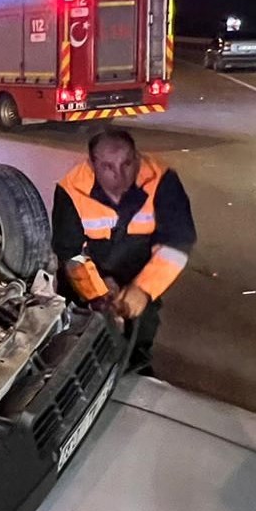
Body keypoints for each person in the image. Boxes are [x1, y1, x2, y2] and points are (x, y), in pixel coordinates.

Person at [51, 128, 197, 373]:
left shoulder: (162, 181)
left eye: (127, 163)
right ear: (92, 164)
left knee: (142, 331)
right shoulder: (71, 190)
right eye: (108, 166)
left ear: (137, 158)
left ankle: (135, 367)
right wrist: (98, 294)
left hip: (140, 273)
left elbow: (176, 244)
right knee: (75, 337)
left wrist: (142, 289)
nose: (119, 176)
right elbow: (71, 254)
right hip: (87, 278)